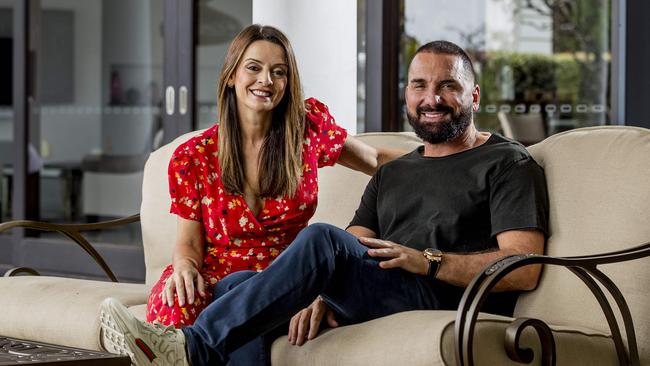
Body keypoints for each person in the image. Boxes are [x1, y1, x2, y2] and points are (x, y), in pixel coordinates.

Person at [99, 40, 549, 366]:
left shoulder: (506, 163)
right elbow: (355, 242)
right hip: (383, 289)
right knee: (235, 286)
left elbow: (524, 266)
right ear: (407, 96)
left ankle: (191, 347)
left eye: (448, 86)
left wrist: (426, 260)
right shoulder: (397, 170)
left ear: (474, 96)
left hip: (442, 295)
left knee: (319, 240)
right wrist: (320, 290)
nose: (432, 98)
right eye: (419, 86)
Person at [147, 24, 399, 329]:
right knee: (176, 306)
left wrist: (447, 158)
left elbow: (374, 159)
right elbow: (188, 242)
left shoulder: (307, 131)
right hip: (214, 277)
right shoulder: (194, 156)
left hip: (284, 281)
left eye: (279, 72)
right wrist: (184, 267)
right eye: (253, 67)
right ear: (231, 76)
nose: (266, 80)